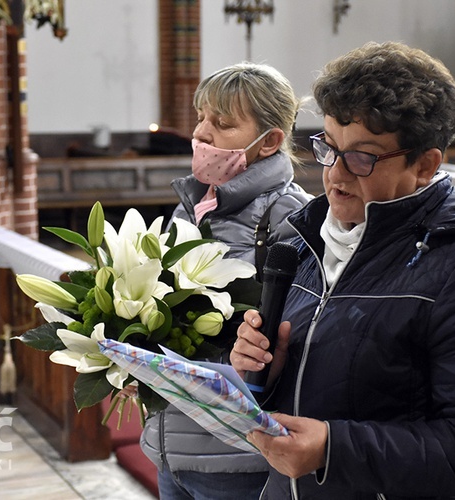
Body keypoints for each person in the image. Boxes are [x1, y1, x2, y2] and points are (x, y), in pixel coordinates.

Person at [230, 41, 455, 499]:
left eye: (363, 157)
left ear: (425, 165)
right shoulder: (306, 239)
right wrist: (267, 375)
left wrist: (334, 449)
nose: (335, 175)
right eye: (328, 147)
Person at [139, 62, 312, 500]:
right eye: (201, 118)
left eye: (223, 123)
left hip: (234, 454)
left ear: (270, 141)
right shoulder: (192, 204)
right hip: (172, 443)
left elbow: (294, 340)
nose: (202, 134)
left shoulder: (290, 218)